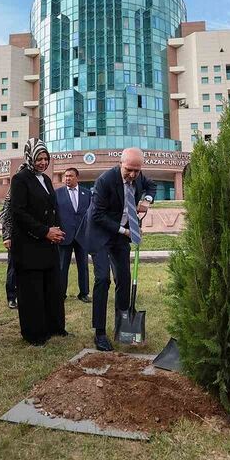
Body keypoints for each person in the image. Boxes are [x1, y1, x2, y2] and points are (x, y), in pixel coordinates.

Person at [85, 148, 156, 351]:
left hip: (120, 237)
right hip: (100, 234)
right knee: (102, 279)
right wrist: (125, 231)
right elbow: (97, 215)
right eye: (129, 170)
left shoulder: (139, 177)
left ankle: (122, 326)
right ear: (120, 163)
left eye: (137, 170)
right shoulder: (105, 181)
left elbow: (152, 185)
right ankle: (99, 332)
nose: (133, 175)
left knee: (123, 279)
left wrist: (147, 200)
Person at [9, 139, 66, 345]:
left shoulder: (46, 180)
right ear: (29, 157)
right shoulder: (20, 179)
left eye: (45, 158)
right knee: (31, 291)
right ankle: (34, 334)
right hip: (29, 244)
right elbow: (19, 212)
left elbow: (52, 207)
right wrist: (44, 231)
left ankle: (55, 327)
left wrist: (58, 229)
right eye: (39, 158)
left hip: (48, 244)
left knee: (52, 288)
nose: (43, 162)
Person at [56, 168, 92, 302]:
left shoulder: (87, 194)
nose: (67, 179)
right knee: (61, 267)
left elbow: (90, 215)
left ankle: (84, 293)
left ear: (77, 177)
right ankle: (60, 294)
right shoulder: (57, 194)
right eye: (66, 176)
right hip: (64, 236)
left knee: (83, 266)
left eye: (70, 176)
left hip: (82, 236)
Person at [0, 191, 19, 309]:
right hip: (15, 236)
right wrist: (6, 237)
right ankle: (11, 297)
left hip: (32, 237)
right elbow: (5, 215)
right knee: (13, 268)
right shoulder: (13, 191)